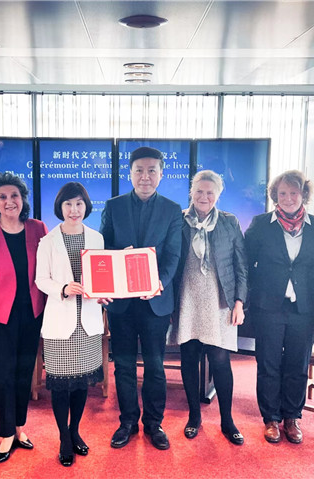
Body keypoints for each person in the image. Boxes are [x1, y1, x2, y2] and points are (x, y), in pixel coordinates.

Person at [100, 146, 182, 451]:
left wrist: (160, 283)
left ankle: (154, 423)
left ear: (161, 174)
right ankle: (127, 422)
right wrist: (115, 262)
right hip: (121, 302)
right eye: (139, 170)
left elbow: (173, 255)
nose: (145, 177)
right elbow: (104, 249)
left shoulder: (173, 210)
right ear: (130, 173)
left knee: (155, 365)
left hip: (154, 301)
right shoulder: (114, 206)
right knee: (123, 365)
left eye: (151, 171)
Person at [244, 170, 314, 445]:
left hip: (304, 307)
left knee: (297, 363)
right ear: (275, 196)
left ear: (304, 194)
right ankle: (270, 418)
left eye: (294, 192)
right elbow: (247, 262)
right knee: (268, 363)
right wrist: (261, 288)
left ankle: (292, 417)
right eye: (282, 193)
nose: (288, 198)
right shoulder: (261, 224)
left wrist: (300, 282)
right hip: (268, 306)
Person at [0, 172, 47, 463]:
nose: (9, 201)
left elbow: (51, 265)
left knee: (25, 372)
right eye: (2, 197)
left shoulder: (38, 228)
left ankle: (19, 428)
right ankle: (5, 434)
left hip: (32, 313)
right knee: (3, 375)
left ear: (22, 199)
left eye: (14, 195)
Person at [171, 170, 248, 445]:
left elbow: (241, 266)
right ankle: (194, 417)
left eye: (210, 192)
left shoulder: (229, 222)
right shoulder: (178, 220)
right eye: (199, 191)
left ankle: (227, 421)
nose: (204, 197)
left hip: (220, 301)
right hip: (187, 299)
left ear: (218, 195)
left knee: (220, 360)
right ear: (191, 192)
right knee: (189, 358)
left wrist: (239, 302)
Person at [35, 182, 105, 467]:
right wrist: (63, 288)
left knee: (81, 384)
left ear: (86, 206)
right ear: (60, 207)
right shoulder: (48, 241)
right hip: (60, 323)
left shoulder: (97, 238)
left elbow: (102, 277)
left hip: (88, 322)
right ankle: (64, 437)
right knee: (61, 386)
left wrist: (103, 293)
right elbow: (41, 279)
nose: (74, 210)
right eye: (68, 204)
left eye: (79, 203)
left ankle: (75, 431)